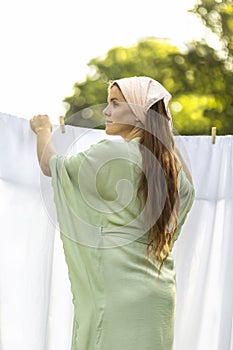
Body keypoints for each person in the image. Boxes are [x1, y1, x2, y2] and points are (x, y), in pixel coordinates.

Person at [30, 76, 195, 350]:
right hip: (160, 294)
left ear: (140, 114)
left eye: (115, 104)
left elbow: (51, 166)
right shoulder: (171, 170)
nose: (105, 111)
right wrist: (162, 132)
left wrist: (42, 130)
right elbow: (189, 193)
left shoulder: (111, 154)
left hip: (116, 290)